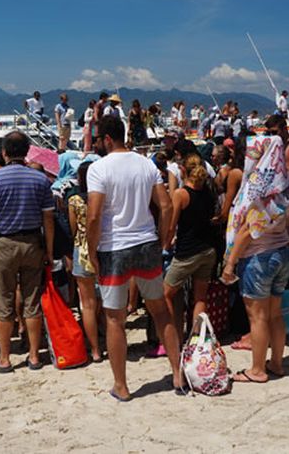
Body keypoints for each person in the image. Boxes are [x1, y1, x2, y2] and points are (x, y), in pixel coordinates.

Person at [86, 116, 183, 400]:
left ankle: (122, 386)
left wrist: (92, 252)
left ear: (105, 139)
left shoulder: (98, 168)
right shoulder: (146, 163)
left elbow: (93, 216)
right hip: (145, 244)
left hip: (113, 247)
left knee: (115, 319)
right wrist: (163, 238)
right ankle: (177, 375)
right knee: (161, 312)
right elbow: (164, 205)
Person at [0, 131, 55, 373]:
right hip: (33, 241)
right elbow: (48, 219)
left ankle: (4, 358)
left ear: (3, 152)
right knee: (32, 302)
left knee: (5, 302)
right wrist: (49, 251)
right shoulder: (40, 180)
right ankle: (33, 356)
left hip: (4, 244)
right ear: (27, 151)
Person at [221, 135, 289, 383]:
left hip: (259, 257)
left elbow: (246, 231)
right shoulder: (284, 187)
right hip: (282, 252)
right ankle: (277, 363)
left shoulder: (259, 189)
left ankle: (257, 369)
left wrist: (230, 264)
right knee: (275, 314)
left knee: (257, 317)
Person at [163, 154, 217, 340]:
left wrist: (166, 242)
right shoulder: (208, 192)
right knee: (200, 298)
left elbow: (172, 225)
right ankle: (196, 337)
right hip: (208, 249)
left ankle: (172, 335)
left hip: (188, 251)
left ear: (183, 170)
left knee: (166, 294)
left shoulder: (181, 194)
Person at [67, 161, 102, 362]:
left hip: (82, 250)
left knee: (86, 303)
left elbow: (73, 230)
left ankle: (95, 349)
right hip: (104, 248)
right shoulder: (104, 199)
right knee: (104, 300)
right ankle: (103, 331)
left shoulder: (75, 201)